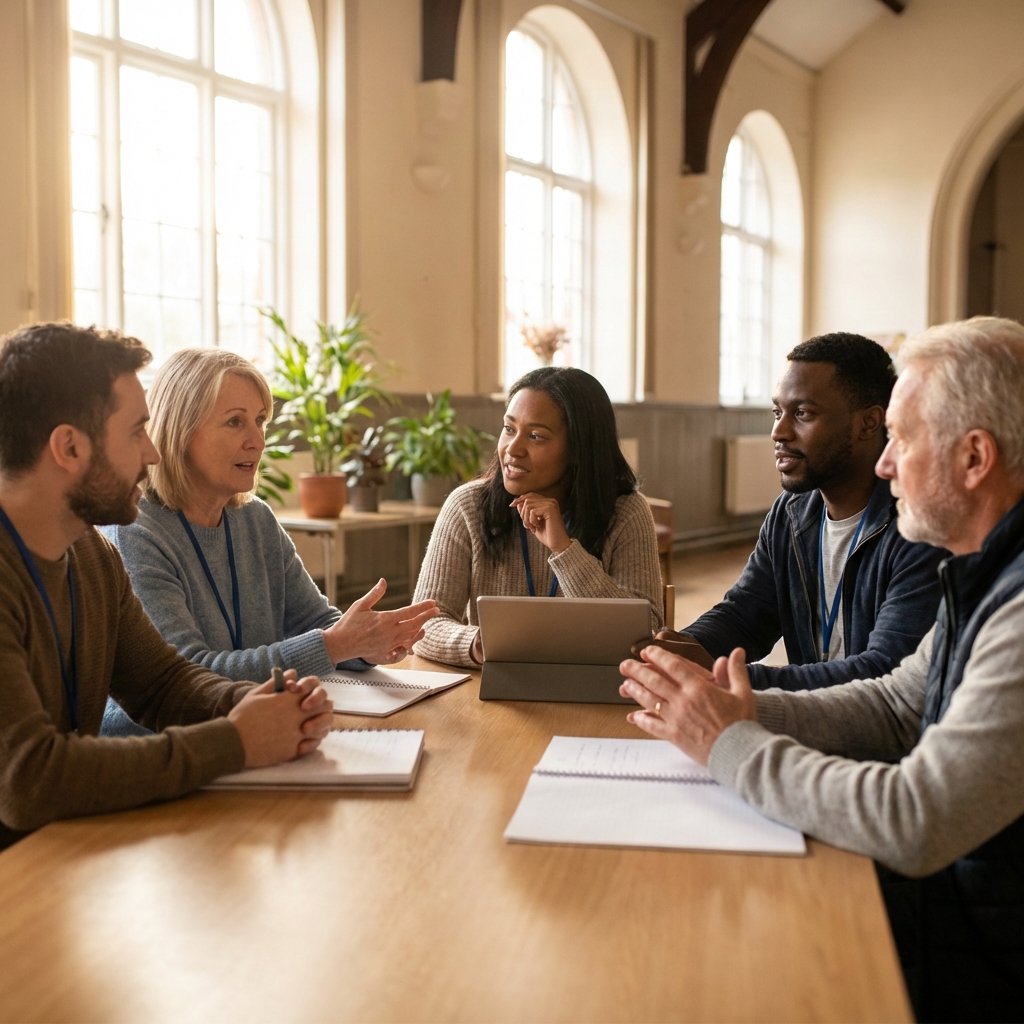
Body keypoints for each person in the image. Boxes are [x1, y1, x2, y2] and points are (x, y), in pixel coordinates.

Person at [620, 316, 1024, 1023]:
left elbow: (916, 818)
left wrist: (728, 741)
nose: (887, 465)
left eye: (902, 439)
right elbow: (898, 703)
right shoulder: (983, 572)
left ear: (974, 458)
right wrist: (730, 706)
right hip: (955, 922)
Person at [0, 323, 333, 850]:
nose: (154, 454)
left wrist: (263, 702)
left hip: (65, 848)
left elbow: (163, 685)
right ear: (68, 447)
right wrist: (236, 741)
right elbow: (29, 779)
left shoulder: (92, 555)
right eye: (137, 433)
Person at [101, 348, 437, 736]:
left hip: (256, 731)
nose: (257, 441)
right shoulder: (134, 532)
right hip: (165, 749)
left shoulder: (254, 517)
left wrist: (367, 643)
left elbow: (315, 622)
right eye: (235, 422)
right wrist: (335, 645)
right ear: (180, 431)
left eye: (260, 421)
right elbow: (187, 677)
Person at [644, 333, 946, 689]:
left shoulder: (919, 524)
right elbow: (745, 615)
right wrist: (680, 649)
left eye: (803, 413)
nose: (778, 431)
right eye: (777, 412)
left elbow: (887, 672)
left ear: (868, 423)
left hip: (882, 737)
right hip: (811, 718)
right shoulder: (793, 510)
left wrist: (728, 677)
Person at [412, 366, 663, 668]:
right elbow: (423, 626)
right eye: (508, 429)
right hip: (495, 692)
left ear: (579, 448)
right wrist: (483, 644)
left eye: (535, 436)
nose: (512, 449)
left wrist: (565, 550)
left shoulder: (626, 512)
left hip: (591, 691)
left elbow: (645, 633)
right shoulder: (468, 506)